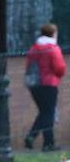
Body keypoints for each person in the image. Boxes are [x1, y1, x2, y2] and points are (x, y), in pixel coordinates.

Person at [24, 23, 66, 152]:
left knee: (44, 113)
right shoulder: (53, 48)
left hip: (34, 84)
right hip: (49, 84)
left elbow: (28, 66)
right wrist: (58, 75)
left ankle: (37, 138)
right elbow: (60, 68)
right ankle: (46, 143)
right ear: (53, 34)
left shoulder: (33, 49)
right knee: (48, 113)